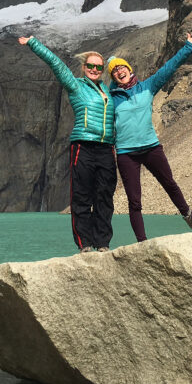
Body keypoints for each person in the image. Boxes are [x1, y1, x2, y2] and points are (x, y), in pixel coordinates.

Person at [108, 30, 192, 242]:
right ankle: (142, 242)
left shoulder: (148, 87)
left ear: (129, 69)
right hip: (127, 153)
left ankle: (189, 215)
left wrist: (189, 46)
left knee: (169, 183)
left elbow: (169, 68)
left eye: (122, 67)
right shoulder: (111, 98)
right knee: (134, 200)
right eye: (114, 71)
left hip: (151, 147)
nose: (119, 71)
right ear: (113, 78)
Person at [18, 35, 115, 253]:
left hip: (106, 148)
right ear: (83, 67)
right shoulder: (76, 86)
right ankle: (85, 244)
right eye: (90, 65)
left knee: (105, 197)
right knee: (81, 195)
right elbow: (57, 64)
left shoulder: (109, 91)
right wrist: (34, 43)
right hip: (83, 146)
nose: (94, 69)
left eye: (98, 67)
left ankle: (103, 243)